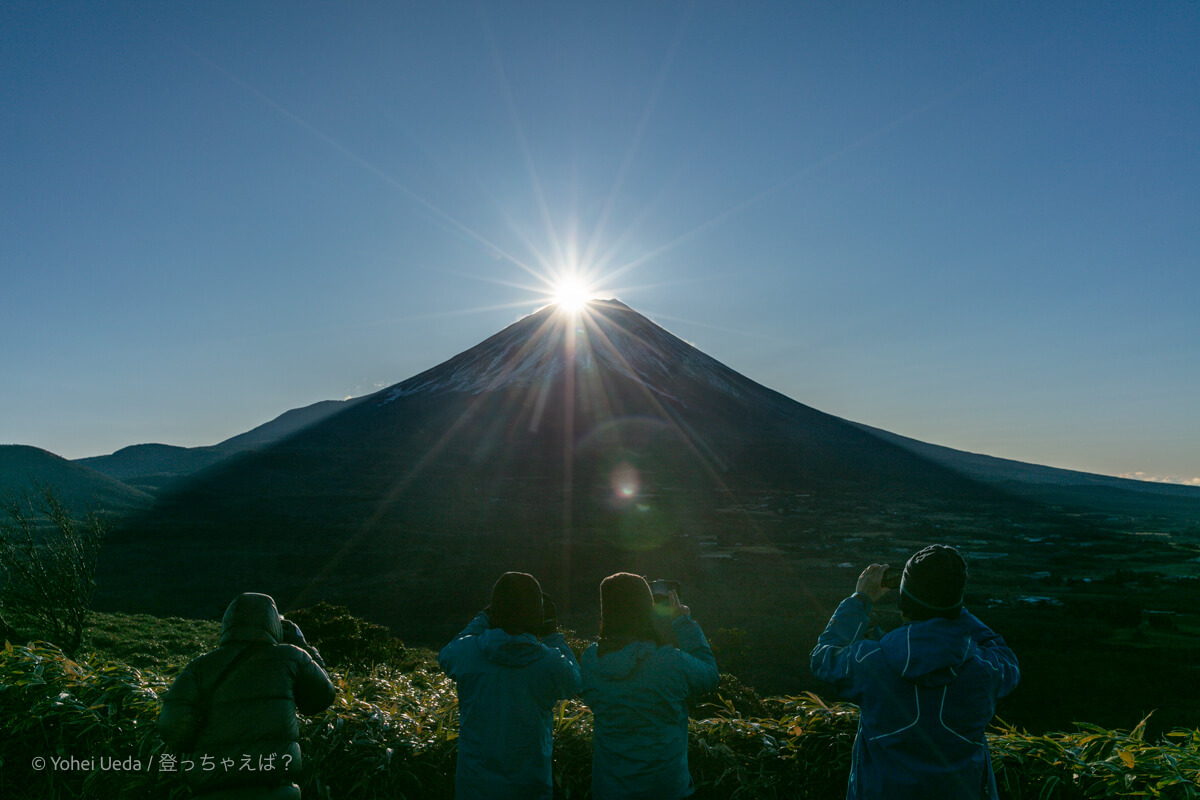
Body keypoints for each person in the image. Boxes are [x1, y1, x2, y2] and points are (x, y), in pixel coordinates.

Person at [810, 545, 1020, 800]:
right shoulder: (984, 671)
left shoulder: (870, 663)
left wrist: (860, 600)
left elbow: (824, 657)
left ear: (903, 603)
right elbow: (1004, 655)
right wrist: (952, 608)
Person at [159, 592, 337, 800]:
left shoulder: (199, 667)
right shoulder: (292, 657)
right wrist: (303, 645)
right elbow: (322, 697)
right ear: (272, 625)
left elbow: (171, 726)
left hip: (213, 791)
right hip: (275, 791)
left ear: (228, 624)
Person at [438, 571, 582, 800]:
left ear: (494, 612)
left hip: (474, 789)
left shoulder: (467, 653)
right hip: (530, 789)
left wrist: (485, 617)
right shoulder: (550, 664)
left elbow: (446, 655)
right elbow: (575, 681)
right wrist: (552, 633)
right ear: (538, 615)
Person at [580, 573, 720, 800]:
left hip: (608, 791)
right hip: (666, 791)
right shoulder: (669, 663)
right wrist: (682, 622)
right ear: (647, 612)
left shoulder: (590, 662)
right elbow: (710, 675)